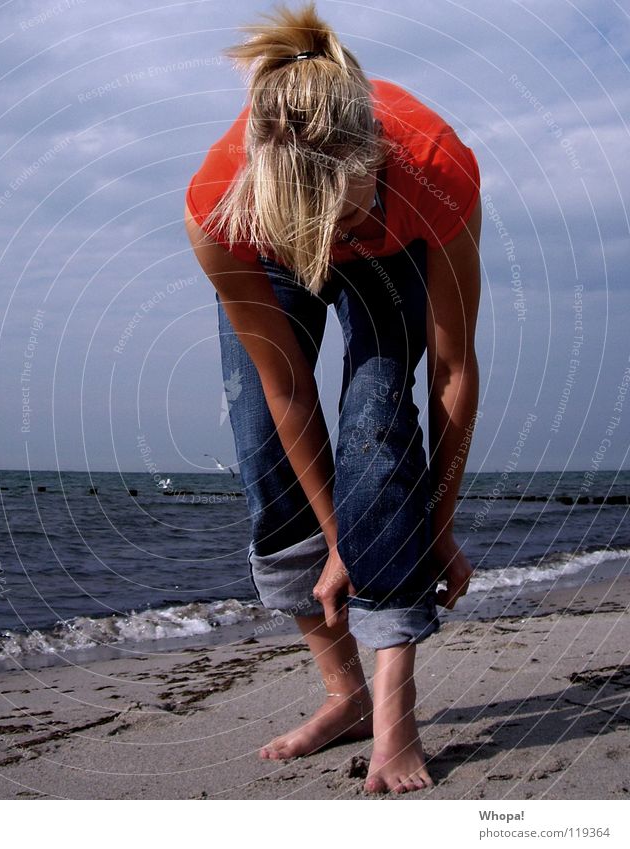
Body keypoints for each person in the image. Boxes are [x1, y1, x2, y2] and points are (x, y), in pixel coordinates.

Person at [184, 1, 480, 794]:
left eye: (334, 221)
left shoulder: (434, 168)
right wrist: (335, 533)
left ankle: (394, 717)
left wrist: (436, 523)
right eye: (300, 227)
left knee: (377, 426)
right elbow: (284, 390)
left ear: (375, 162)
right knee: (263, 455)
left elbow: (451, 370)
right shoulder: (219, 206)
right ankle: (345, 695)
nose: (320, 248)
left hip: (394, 250)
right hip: (261, 239)